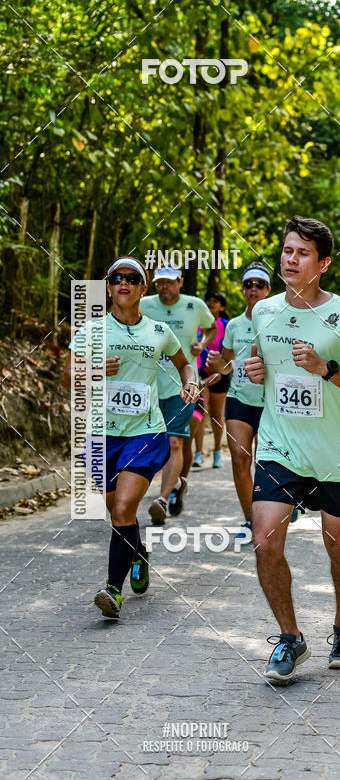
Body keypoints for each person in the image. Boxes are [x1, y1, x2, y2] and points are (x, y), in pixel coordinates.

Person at [244, 215, 340, 684]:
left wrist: (328, 370)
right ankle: (290, 637)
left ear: (323, 264)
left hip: (334, 451)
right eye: (287, 250)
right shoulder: (264, 311)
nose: (291, 259)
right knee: (264, 540)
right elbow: (263, 366)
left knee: (339, 546)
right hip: (279, 445)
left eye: (302, 253)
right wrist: (257, 372)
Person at [62, 258, 200, 618]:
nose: (124, 282)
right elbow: (67, 377)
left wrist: (190, 381)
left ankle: (112, 590)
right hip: (100, 435)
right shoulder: (91, 330)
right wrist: (93, 371)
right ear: (109, 287)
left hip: (145, 432)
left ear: (143, 288)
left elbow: (184, 363)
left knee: (123, 508)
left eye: (132, 278)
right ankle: (139, 552)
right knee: (117, 512)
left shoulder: (159, 331)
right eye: (117, 278)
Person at [140, 267, 216, 524]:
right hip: (150, 386)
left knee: (175, 442)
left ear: (180, 282)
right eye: (160, 282)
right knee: (155, 444)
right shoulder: (144, 305)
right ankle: (178, 484)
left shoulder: (195, 306)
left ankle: (162, 499)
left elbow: (211, 328)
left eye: (170, 282)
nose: (164, 287)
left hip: (183, 385)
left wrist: (201, 344)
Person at [205, 264, 272, 536]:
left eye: (259, 284)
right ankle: (251, 521)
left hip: (270, 405)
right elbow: (226, 366)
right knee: (240, 460)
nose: (253, 289)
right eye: (248, 284)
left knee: (266, 465)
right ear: (243, 290)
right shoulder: (233, 325)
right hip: (239, 400)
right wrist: (216, 363)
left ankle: (280, 504)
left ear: (268, 290)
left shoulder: (280, 321)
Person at [195, 290, 230, 468]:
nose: (211, 304)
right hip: (201, 373)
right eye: (208, 301)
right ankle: (198, 453)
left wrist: (220, 370)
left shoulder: (226, 325)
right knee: (201, 412)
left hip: (221, 374)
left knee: (216, 415)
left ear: (221, 306)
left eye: (215, 301)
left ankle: (217, 452)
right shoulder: (197, 324)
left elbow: (229, 352)